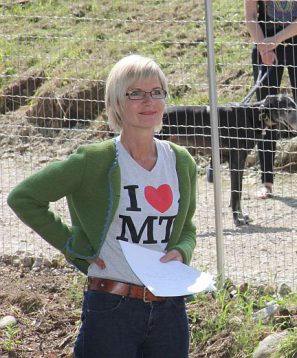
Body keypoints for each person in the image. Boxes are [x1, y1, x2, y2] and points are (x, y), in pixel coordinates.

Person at [7, 55, 197, 358]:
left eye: (156, 92)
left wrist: (182, 250)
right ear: (116, 102)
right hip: (112, 306)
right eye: (135, 93)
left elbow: (186, 227)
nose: (148, 101)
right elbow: (24, 198)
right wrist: (74, 246)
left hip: (170, 308)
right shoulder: (94, 160)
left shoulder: (181, 161)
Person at [244, 0, 297, 198]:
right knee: (265, 113)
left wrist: (275, 40)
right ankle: (266, 181)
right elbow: (250, 16)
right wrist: (264, 47)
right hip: (265, 46)